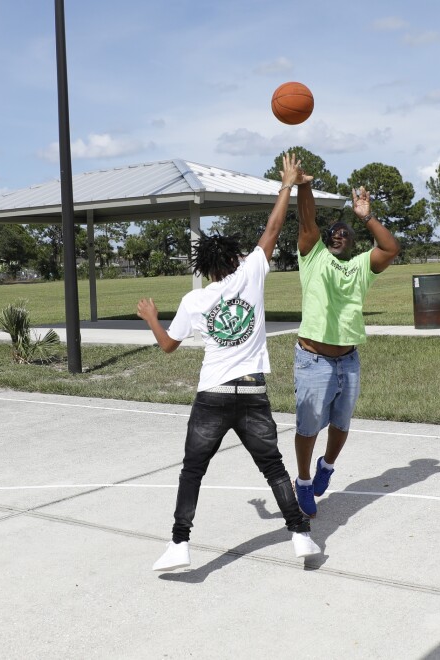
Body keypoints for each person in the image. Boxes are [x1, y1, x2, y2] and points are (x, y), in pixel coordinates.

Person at [137, 152, 320, 571]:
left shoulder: (194, 299)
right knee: (273, 467)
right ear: (234, 259)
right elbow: (273, 228)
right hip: (252, 391)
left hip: (213, 394)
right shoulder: (251, 274)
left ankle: (180, 546)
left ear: (204, 268)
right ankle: (301, 536)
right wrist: (287, 185)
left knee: (192, 471)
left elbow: (168, 346)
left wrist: (151, 319)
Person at [292, 182, 400, 517]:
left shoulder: (361, 267)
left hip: (348, 360)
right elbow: (307, 221)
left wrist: (366, 217)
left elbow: (390, 247)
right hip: (313, 360)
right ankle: (305, 482)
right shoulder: (313, 258)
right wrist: (303, 187)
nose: (338, 235)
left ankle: (327, 465)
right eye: (333, 232)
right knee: (308, 427)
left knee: (341, 422)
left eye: (344, 232)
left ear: (352, 242)